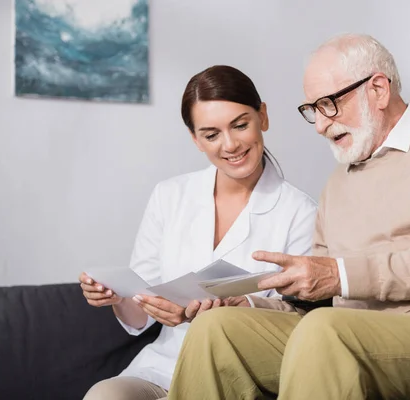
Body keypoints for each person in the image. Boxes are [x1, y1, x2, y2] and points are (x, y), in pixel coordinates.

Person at [167, 34, 410, 400]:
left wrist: (341, 275)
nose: (320, 125)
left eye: (327, 105)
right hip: (346, 330)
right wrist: (252, 303)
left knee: (326, 330)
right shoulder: (337, 183)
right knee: (218, 328)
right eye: (312, 110)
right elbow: (314, 304)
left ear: (379, 90)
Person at [78, 65, 317, 400]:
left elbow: (296, 321)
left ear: (263, 117)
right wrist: (117, 296)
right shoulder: (169, 196)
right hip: (163, 367)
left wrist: (233, 307)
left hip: (237, 371)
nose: (230, 144)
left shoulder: (301, 212)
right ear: (195, 139)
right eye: (211, 134)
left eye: (240, 125)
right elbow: (140, 313)